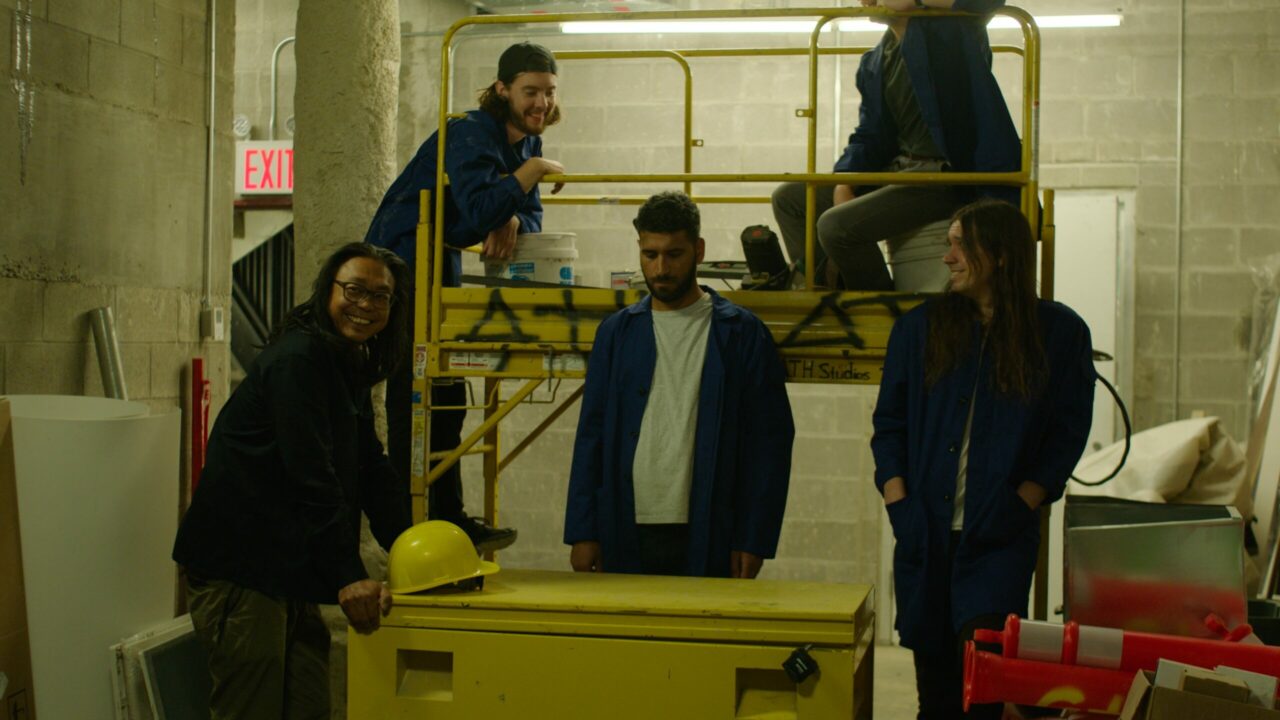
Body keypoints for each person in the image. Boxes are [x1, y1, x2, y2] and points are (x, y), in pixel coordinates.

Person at [871, 199, 1095, 719]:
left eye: (958, 244)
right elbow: (889, 428)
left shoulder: (1059, 334)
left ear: (998, 255)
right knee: (937, 696)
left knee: (984, 688)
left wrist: (1024, 502)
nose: (947, 258)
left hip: (998, 537)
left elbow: (1067, 433)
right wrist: (899, 503)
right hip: (925, 533)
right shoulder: (919, 330)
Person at [173, 243, 413, 720]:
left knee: (307, 708)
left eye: (380, 296)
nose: (366, 305)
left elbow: (370, 466)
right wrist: (349, 576)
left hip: (287, 568)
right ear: (328, 291)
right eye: (354, 290)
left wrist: (411, 550)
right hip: (241, 569)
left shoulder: (347, 362)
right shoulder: (298, 360)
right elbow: (312, 476)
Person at [365, 41, 566, 551]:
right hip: (406, 253)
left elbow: (530, 220)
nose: (540, 102)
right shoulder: (472, 130)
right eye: (529, 92)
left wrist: (515, 210)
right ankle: (409, 524)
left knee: (448, 391)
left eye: (548, 92)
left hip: (443, 252)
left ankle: (447, 518)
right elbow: (478, 214)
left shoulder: (526, 145)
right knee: (420, 388)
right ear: (502, 90)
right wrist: (527, 180)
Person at [564, 191, 795, 578]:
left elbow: (769, 443)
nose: (660, 269)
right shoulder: (617, 334)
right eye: (650, 255)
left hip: (710, 526)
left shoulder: (741, 334)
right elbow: (592, 437)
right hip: (625, 524)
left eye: (674, 254)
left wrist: (754, 538)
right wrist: (583, 531)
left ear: (699, 250)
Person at [771, 0, 1021, 291]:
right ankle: (826, 287)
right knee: (790, 198)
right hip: (900, 172)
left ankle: (877, 305)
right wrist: (845, 181)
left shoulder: (955, 32)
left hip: (947, 178)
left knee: (836, 227)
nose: (867, 2)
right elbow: (870, 135)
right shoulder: (876, 60)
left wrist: (916, 0)